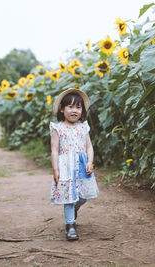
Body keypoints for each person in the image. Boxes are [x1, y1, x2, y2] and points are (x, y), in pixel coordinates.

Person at [50, 88, 99, 241]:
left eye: (78, 107)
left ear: (82, 110)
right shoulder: (58, 128)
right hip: (66, 167)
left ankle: (76, 207)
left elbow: (89, 146)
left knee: (83, 196)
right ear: (62, 109)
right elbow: (54, 150)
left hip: (82, 164)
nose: (74, 110)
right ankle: (70, 225)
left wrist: (90, 161)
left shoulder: (83, 127)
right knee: (69, 197)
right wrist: (55, 169)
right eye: (70, 107)